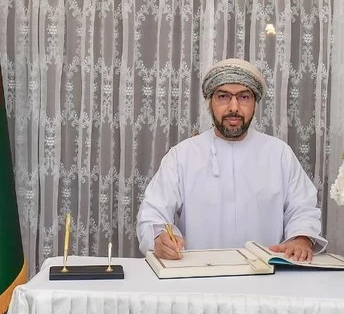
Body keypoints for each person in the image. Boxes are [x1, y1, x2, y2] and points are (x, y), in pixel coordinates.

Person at [136, 58, 325, 262]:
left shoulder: (279, 154)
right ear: (210, 102)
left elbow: (303, 208)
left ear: (255, 103)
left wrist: (301, 238)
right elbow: (152, 213)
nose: (234, 107)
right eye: (223, 96)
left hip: (266, 278)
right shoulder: (182, 156)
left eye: (244, 97)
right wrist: (159, 238)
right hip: (199, 279)